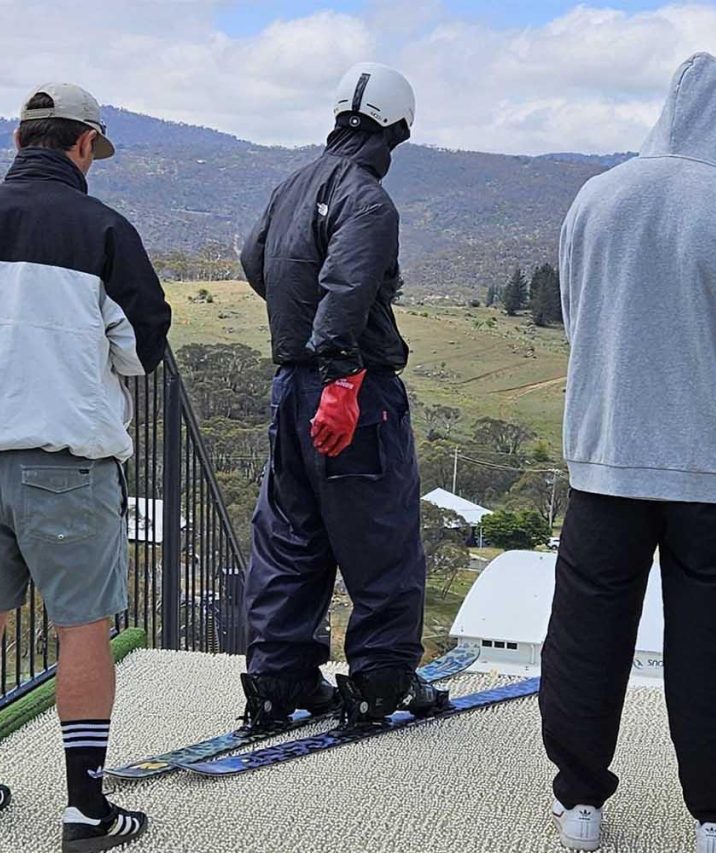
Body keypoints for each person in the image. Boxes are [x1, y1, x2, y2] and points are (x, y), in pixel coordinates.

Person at [541, 53, 716, 853]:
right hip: (713, 475)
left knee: (587, 638)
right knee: (714, 651)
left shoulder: (594, 200)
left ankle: (580, 802)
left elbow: (578, 320)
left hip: (606, 460)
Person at [0, 83, 171, 852]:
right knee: (81, 627)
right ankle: (86, 809)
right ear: (84, 143)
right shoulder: (102, 229)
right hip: (63, 465)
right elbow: (141, 348)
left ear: (18, 138)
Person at [237, 62, 448, 729]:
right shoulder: (367, 197)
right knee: (380, 536)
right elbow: (350, 285)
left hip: (287, 389)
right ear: (397, 129)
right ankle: (381, 681)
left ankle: (280, 678)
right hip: (352, 393)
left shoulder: (289, 187)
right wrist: (341, 377)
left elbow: (254, 261)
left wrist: (298, 330)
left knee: (289, 536)